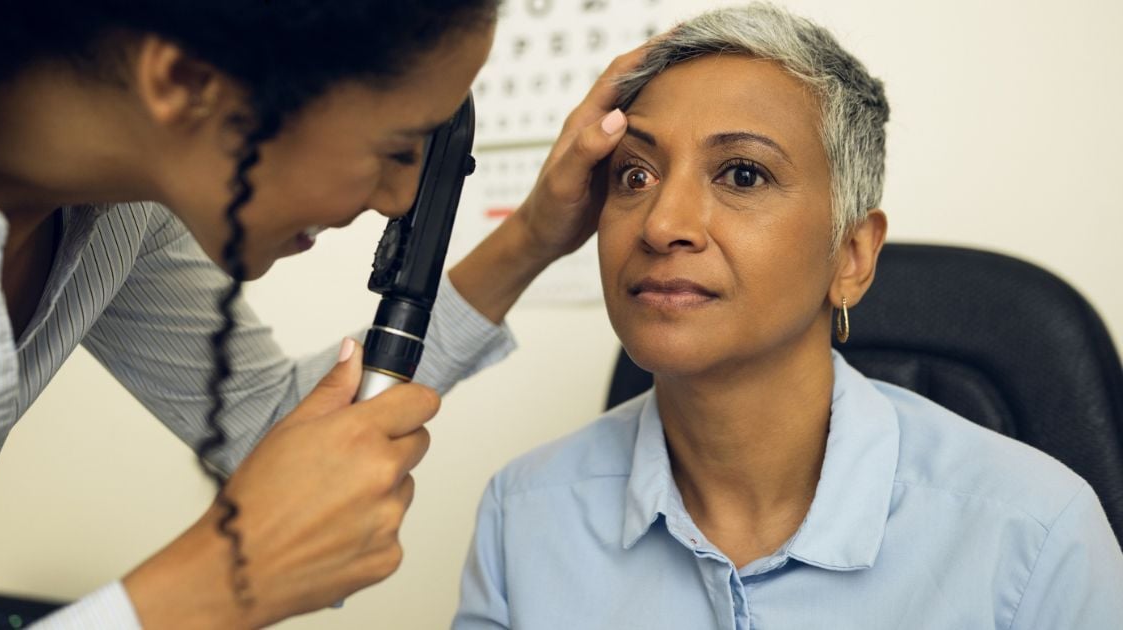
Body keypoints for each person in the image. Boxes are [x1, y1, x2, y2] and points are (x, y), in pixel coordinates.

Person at [0, 1, 644, 627]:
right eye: (395, 149)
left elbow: (271, 425)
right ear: (186, 80)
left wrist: (532, 236)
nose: (399, 201)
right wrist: (218, 584)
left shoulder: (122, 215)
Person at [453, 4, 1123, 629]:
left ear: (853, 256)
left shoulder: (1035, 534)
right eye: (635, 176)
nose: (662, 225)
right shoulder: (524, 516)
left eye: (742, 175)